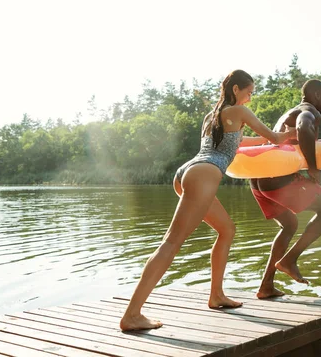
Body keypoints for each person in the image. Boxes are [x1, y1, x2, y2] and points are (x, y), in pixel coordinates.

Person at [120, 69, 297, 331]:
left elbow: (238, 142)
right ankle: (132, 314)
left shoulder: (212, 116)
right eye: (248, 93)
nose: (249, 98)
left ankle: (216, 295)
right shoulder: (240, 111)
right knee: (171, 243)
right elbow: (275, 137)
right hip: (204, 174)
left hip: (187, 173)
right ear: (236, 89)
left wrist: (264, 139)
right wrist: (295, 133)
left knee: (227, 229)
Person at [250, 79, 321, 299]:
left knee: (289, 224)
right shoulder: (309, 111)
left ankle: (266, 286)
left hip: (259, 181)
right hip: (278, 180)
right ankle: (290, 260)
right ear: (317, 95)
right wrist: (313, 167)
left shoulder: (287, 113)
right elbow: (303, 126)